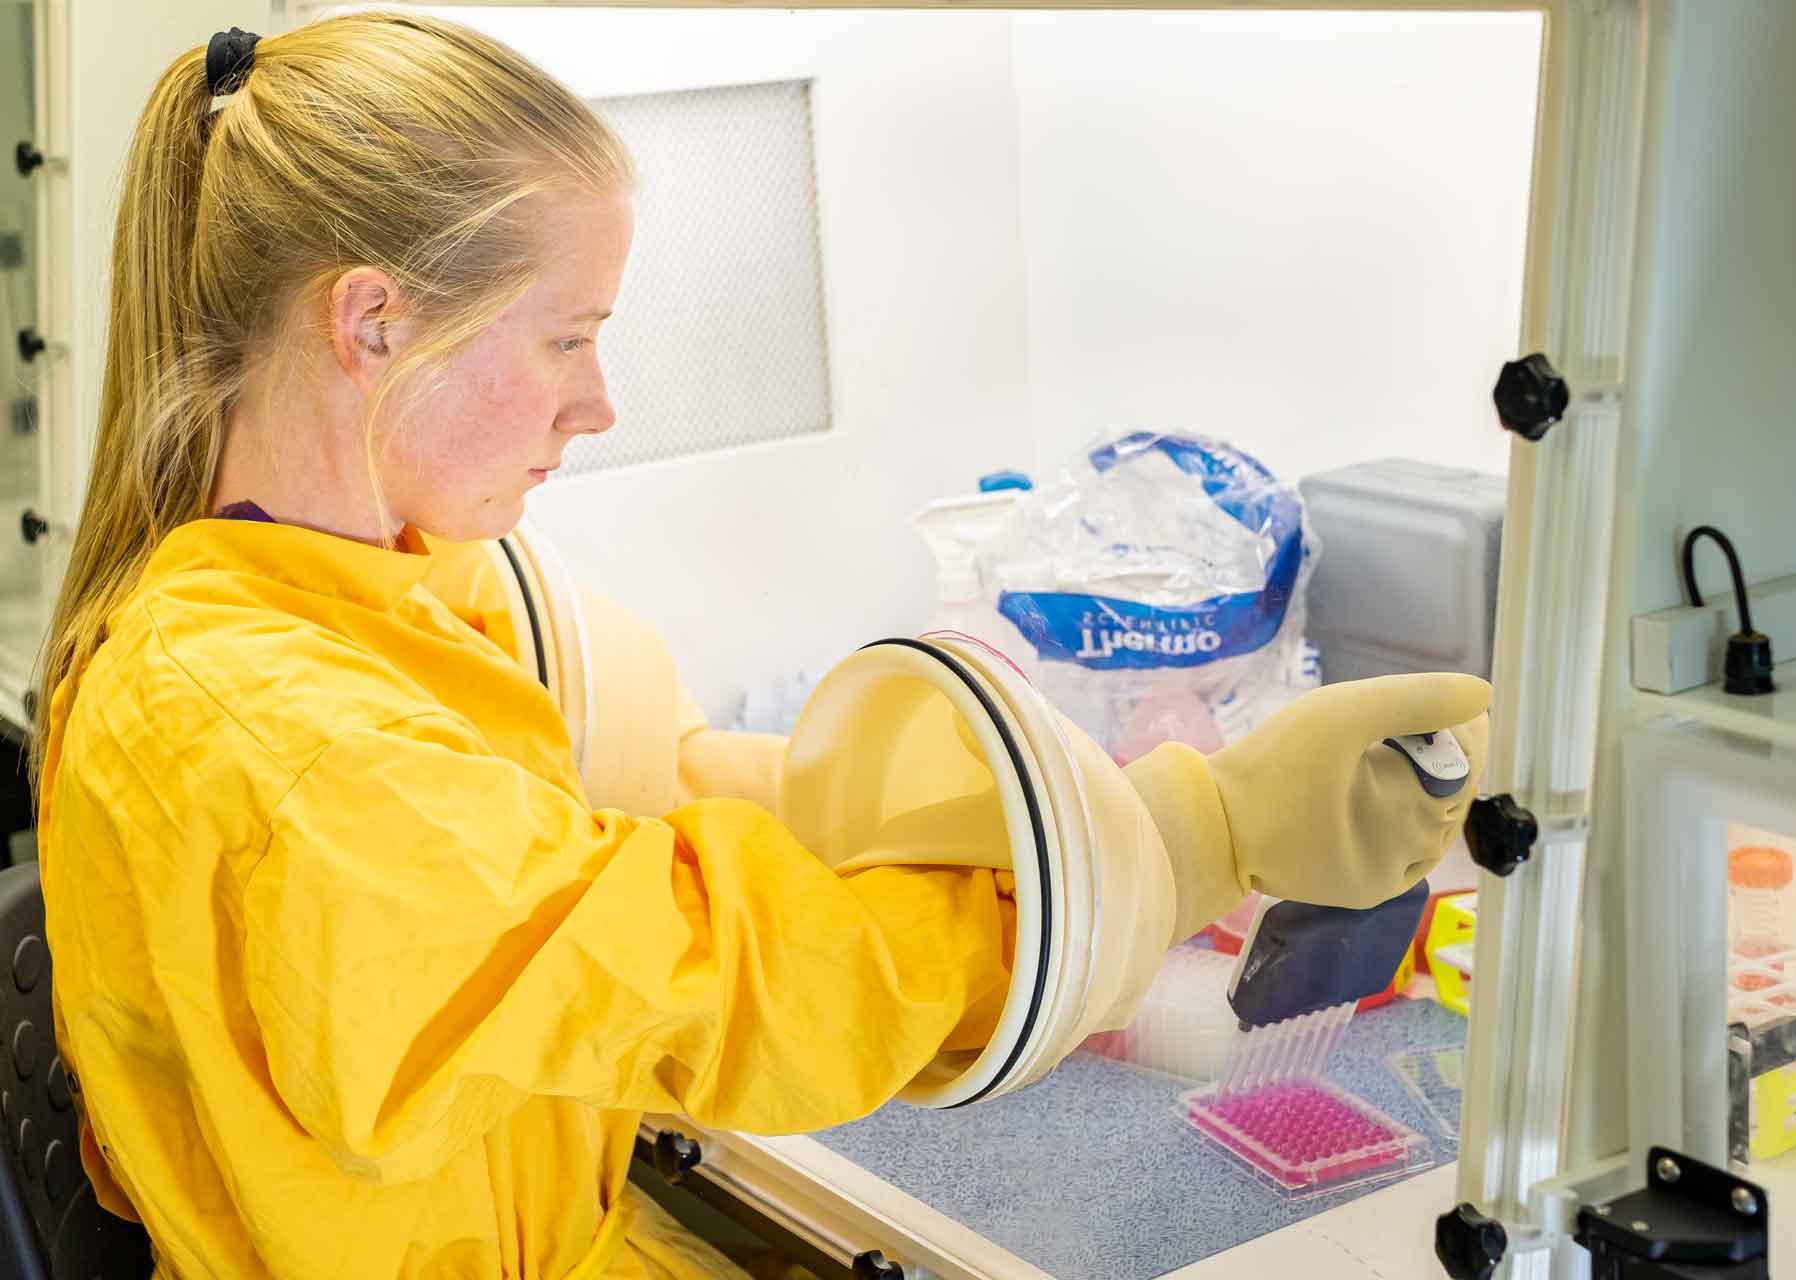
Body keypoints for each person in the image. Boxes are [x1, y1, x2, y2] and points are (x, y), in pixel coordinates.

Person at [30, 14, 1489, 1280]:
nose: (597, 402)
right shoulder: (269, 730)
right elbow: (715, 977)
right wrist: (1198, 837)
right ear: (373, 318)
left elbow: (623, 813)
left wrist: (1018, 809)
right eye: (566, 337)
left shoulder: (354, 589)